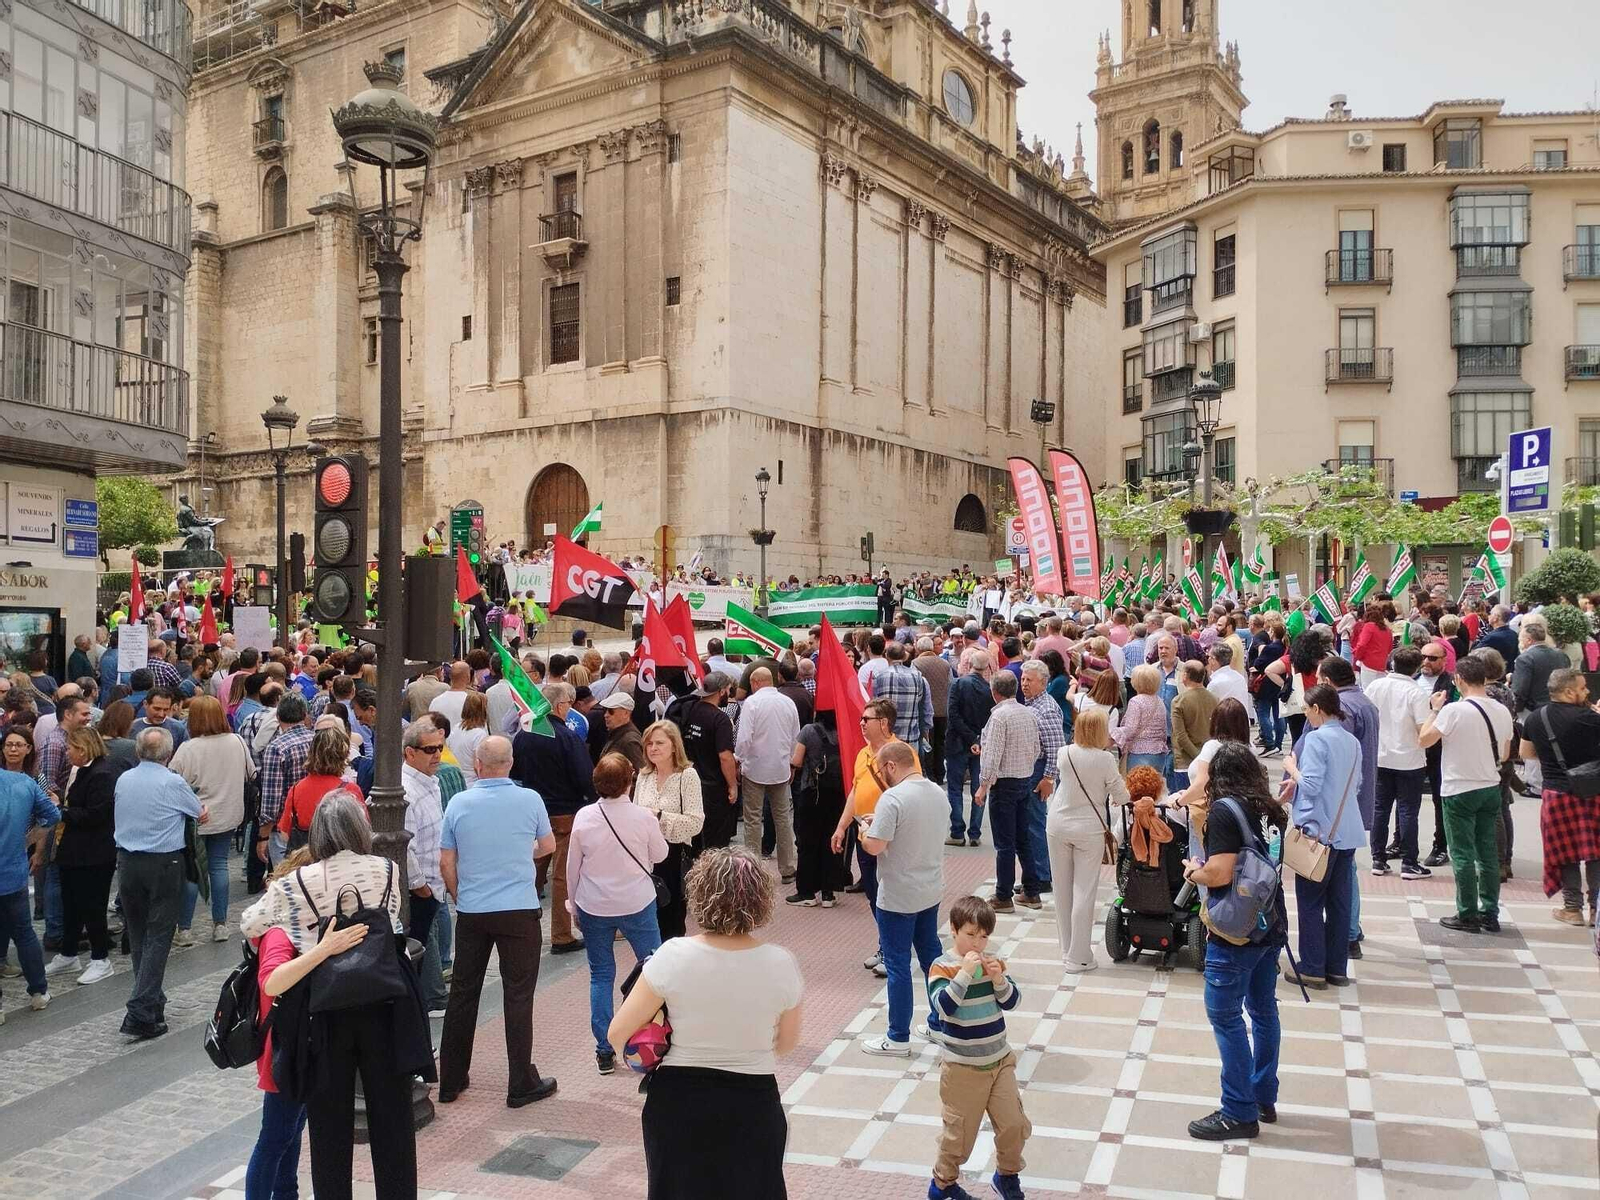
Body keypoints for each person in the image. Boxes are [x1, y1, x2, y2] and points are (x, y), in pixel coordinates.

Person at [249, 794, 428, 1199]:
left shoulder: (296, 884)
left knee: (328, 1126)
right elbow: (395, 918)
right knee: (395, 1123)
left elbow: (251, 922)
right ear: (360, 829)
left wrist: (302, 930)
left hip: (323, 1011)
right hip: (384, 1002)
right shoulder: (385, 869)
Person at [607, 847, 802, 1200]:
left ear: (698, 894)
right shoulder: (781, 963)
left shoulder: (672, 956)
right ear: (761, 900)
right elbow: (786, 1045)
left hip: (678, 1104)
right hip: (753, 1104)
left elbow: (617, 1033)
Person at [439, 735, 559, 1107]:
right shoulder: (530, 800)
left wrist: (461, 896)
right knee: (518, 995)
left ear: (477, 765)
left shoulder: (459, 802)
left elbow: (447, 861)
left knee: (463, 994)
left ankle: (451, 1079)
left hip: (474, 909)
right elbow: (549, 846)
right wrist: (523, 855)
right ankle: (520, 1080)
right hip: (518, 908)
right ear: (510, 763)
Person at [1181, 743, 1287, 1141]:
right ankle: (1262, 1095)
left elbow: (1222, 873)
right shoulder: (1270, 809)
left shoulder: (1225, 810)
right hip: (1270, 922)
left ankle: (1238, 1111)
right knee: (1263, 1011)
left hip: (1236, 929)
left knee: (1225, 1017)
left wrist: (1195, 872)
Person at [566, 752, 667, 1074]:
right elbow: (661, 854)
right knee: (655, 970)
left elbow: (572, 868)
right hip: (636, 902)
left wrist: (573, 905)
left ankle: (604, 1049)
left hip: (594, 904)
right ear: (630, 781)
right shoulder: (643, 817)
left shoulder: (583, 817)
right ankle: (658, 1038)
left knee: (601, 975)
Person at [925, 897, 1030, 1200]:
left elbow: (1012, 1001)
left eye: (983, 936)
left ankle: (1007, 1175)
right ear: (954, 930)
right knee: (959, 1136)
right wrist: (965, 973)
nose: (978, 942)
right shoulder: (942, 967)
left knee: (1014, 1124)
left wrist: (999, 978)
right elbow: (943, 1008)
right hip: (962, 1069)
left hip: (1000, 1060)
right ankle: (943, 1184)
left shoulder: (992, 960)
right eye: (971, 934)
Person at [857, 741, 947, 1057]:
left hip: (897, 894)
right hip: (930, 888)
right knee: (932, 958)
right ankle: (940, 1023)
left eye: (882, 770)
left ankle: (897, 1036)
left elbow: (876, 846)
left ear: (892, 766)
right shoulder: (938, 793)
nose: (882, 776)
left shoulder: (892, 798)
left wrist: (865, 833)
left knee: (897, 964)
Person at [115, 727, 203, 1039]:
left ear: (139, 752)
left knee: (139, 934)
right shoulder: (172, 781)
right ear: (168, 754)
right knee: (158, 935)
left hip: (128, 862)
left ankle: (152, 1004)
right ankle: (141, 1009)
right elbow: (199, 812)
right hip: (164, 862)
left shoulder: (124, 779)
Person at [1417, 656, 1513, 932]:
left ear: (1458, 680)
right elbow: (1505, 753)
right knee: (1488, 853)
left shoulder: (1453, 711)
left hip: (1459, 787)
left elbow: (1424, 739)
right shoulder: (1501, 710)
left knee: (1462, 853)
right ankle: (1490, 912)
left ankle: (1468, 912)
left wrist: (1434, 710)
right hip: (1489, 786)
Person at [1280, 685, 1364, 989]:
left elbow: (1312, 786)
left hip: (1320, 832)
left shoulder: (1316, 740)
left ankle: (1313, 966)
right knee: (1340, 902)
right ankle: (1336, 967)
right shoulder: (1352, 741)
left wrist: (1292, 768)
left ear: (1317, 709)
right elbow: (1356, 785)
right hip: (1346, 832)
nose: (1305, 714)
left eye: (1306, 708)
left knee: (1311, 901)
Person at [512, 684, 596, 955]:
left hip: (532, 812)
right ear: (560, 706)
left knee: (530, 871)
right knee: (561, 877)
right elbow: (584, 777)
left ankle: (518, 928)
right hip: (564, 814)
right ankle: (561, 935)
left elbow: (516, 770)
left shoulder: (523, 735)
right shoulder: (566, 737)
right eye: (569, 703)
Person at [1048, 708, 1129, 973]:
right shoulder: (1105, 759)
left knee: (1061, 888)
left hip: (1057, 823)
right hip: (1089, 829)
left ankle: (1065, 948)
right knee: (1084, 891)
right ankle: (1079, 956)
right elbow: (1122, 794)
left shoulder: (1065, 753)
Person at [169, 696, 254, 946]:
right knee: (219, 866)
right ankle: (221, 924)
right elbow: (250, 773)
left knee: (193, 871)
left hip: (196, 817)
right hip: (228, 813)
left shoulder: (189, 748)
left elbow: (173, 780)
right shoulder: (236, 741)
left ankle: (184, 928)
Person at [1520, 667, 1600, 925]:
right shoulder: (1590, 718)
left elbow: (1526, 753)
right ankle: (1596, 910)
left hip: (1555, 792)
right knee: (1595, 853)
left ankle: (1572, 909)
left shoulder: (1535, 718)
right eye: (1583, 688)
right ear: (1568, 691)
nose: (1587, 691)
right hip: (1592, 790)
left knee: (1565, 853)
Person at [48, 727, 127, 985]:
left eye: (70, 748)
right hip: (73, 850)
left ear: (83, 749)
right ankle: (69, 953)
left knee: (93, 906)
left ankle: (100, 958)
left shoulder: (102, 774)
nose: (67, 752)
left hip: (94, 853)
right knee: (70, 903)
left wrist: (61, 810)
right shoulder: (81, 770)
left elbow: (95, 815)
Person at [974, 672, 1043, 915]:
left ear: (994, 692)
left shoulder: (999, 717)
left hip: (1004, 784)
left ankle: (1003, 895)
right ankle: (1032, 890)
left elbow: (991, 755)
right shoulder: (1028, 713)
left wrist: (984, 784)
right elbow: (1037, 748)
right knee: (1023, 837)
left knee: (1004, 843)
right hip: (1024, 778)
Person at [1, 735, 59, 1020]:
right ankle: (38, 991)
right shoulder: (26, 783)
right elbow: (52, 815)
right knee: (24, 932)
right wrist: (27, 841)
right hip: (13, 871)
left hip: (11, 869)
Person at [1364, 646, 1433, 881]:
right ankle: (1409, 861)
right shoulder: (1416, 693)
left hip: (1381, 756)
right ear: (1416, 668)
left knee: (1380, 808)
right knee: (1408, 811)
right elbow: (1423, 729)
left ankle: (1378, 858)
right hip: (1409, 759)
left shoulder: (1375, 686)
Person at [634, 720, 704, 939]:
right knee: (647, 921)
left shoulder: (687, 776)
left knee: (672, 922)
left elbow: (695, 822)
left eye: (659, 743)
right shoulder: (644, 776)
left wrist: (659, 816)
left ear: (674, 746)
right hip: (645, 857)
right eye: (649, 744)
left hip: (674, 856)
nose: (653, 748)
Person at [735, 667, 801, 881]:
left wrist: (739, 759)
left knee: (753, 819)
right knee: (782, 818)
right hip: (780, 768)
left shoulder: (751, 704)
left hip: (754, 768)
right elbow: (795, 736)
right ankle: (788, 868)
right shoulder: (788, 703)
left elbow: (744, 738)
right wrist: (791, 763)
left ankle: (754, 870)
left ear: (754, 683)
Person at [669, 672, 739, 851]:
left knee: (695, 840)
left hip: (689, 782)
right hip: (713, 788)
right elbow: (725, 756)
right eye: (729, 690)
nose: (730, 694)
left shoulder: (689, 709)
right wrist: (732, 785)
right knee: (715, 842)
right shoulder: (720, 719)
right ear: (722, 691)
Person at [788, 709, 849, 910]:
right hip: (838, 793)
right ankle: (828, 893)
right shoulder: (844, 731)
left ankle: (806, 892)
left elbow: (796, 761)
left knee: (808, 841)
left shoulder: (809, 730)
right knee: (833, 840)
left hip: (812, 792)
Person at [400, 721, 446, 958]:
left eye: (440, 747)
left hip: (434, 892)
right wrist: (423, 889)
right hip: (419, 898)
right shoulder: (406, 791)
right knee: (425, 975)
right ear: (410, 752)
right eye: (430, 749)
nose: (437, 753)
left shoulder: (430, 782)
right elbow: (406, 849)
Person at [277, 727, 363, 852]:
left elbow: (284, 834)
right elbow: (362, 831)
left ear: (312, 752)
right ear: (343, 755)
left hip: (306, 861)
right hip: (340, 861)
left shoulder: (296, 789)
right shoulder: (350, 790)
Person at [946, 649, 995, 845]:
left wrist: (969, 738)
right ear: (987, 668)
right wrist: (976, 740)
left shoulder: (958, 684)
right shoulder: (990, 689)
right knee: (979, 787)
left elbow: (953, 715)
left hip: (958, 742)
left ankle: (957, 832)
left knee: (955, 788)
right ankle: (974, 833)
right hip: (980, 744)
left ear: (969, 665)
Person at [1114, 664, 1171, 779]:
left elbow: (1130, 729)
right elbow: (1164, 728)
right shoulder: (1159, 701)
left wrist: (1113, 733)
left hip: (1139, 753)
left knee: (1138, 790)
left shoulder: (1136, 701)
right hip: (1158, 753)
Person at [1172, 662, 1219, 791]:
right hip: (1209, 759)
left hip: (1185, 761)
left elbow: (1180, 736)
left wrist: (1198, 756)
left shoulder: (1179, 701)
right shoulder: (1215, 699)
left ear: (1185, 675)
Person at [912, 637, 952, 785]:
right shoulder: (945, 664)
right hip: (942, 710)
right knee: (940, 743)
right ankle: (940, 773)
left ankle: (929, 774)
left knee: (927, 743)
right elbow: (950, 684)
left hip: (924, 711)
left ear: (919, 649)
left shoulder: (916, 664)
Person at [1511, 616, 1567, 714]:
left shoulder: (1525, 658)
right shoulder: (1560, 654)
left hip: (1533, 709)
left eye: (1521, 639)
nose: (1520, 642)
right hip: (1559, 707)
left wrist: (1515, 710)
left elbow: (1520, 690)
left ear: (1529, 640)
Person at [447, 691, 490, 787]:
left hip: (457, 779)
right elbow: (477, 765)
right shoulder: (480, 734)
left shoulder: (456, 727)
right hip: (472, 782)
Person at [598, 693, 646, 769]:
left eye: (611, 711)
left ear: (626, 713)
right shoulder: (617, 734)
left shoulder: (630, 741)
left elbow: (641, 772)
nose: (606, 715)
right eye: (605, 710)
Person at [1206, 643, 1250, 711]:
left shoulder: (1215, 683)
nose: (1208, 659)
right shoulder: (1240, 677)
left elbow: (1209, 709)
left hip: (1225, 720)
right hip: (1243, 719)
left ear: (1213, 660)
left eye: (1208, 657)